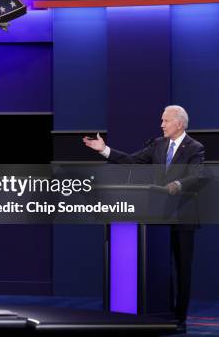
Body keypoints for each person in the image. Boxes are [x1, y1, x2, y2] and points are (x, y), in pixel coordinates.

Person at [83, 105, 204, 331]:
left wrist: (177, 184)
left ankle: (180, 319)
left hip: (183, 219)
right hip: (158, 218)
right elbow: (130, 160)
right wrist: (104, 150)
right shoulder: (157, 145)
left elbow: (196, 175)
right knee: (161, 269)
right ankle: (163, 315)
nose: (161, 125)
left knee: (182, 271)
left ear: (179, 123)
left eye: (165, 121)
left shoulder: (194, 148)